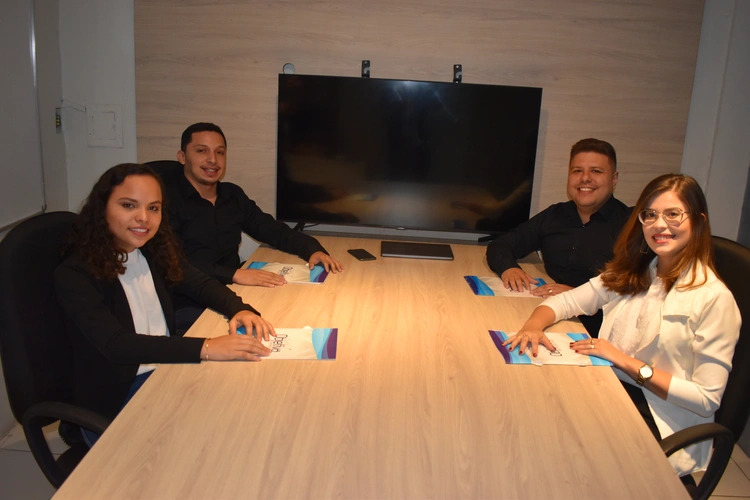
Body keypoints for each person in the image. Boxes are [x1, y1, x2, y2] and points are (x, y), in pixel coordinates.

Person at [504, 174, 740, 478]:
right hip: (610, 391)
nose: (659, 225)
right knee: (528, 412)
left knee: (557, 452)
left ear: (698, 222)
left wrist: (622, 360)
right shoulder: (636, 272)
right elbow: (565, 302)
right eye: (650, 215)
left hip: (658, 419)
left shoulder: (714, 299)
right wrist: (532, 327)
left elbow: (706, 399)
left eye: (673, 214)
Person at [54, 163, 275, 443]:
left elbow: (200, 284)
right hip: (117, 397)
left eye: (153, 208)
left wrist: (239, 309)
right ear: (102, 208)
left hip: (166, 370)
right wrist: (207, 347)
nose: (143, 218)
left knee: (251, 407)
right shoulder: (75, 273)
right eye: (128, 205)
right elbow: (118, 345)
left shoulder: (150, 251)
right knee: (216, 440)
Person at [158, 122, 345, 329]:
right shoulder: (163, 204)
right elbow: (175, 264)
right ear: (182, 157)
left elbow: (270, 229)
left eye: (220, 152)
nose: (213, 159)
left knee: (298, 312)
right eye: (202, 151)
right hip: (190, 299)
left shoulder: (232, 195)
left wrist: (312, 249)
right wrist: (234, 274)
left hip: (236, 288)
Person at [485, 138, 631, 336]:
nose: (585, 178)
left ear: (614, 180)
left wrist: (577, 296)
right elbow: (501, 244)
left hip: (597, 332)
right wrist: (509, 268)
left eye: (596, 171)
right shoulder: (555, 215)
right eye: (577, 171)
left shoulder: (631, 227)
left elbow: (634, 295)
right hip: (546, 314)